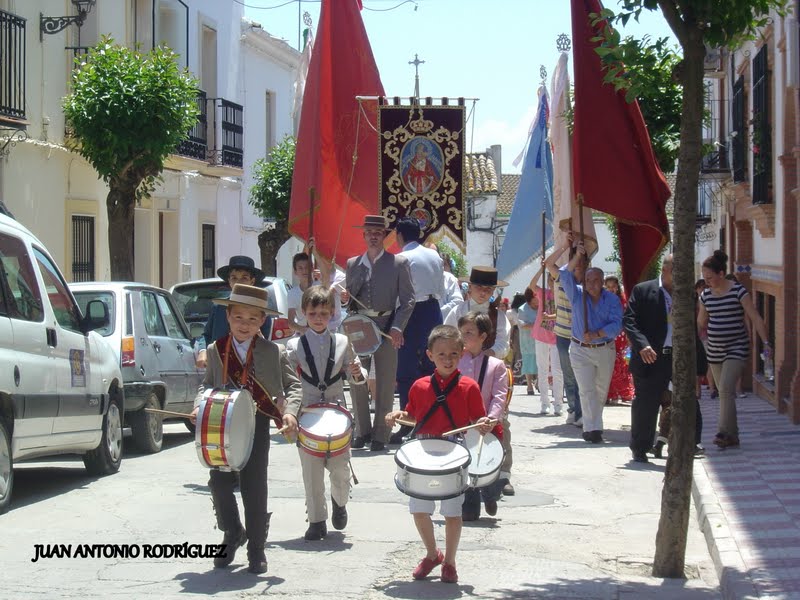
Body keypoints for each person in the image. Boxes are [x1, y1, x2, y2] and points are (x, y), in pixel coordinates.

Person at [190, 284, 301, 573]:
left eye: (253, 319)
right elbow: (206, 385)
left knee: (254, 486)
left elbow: (293, 386)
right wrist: (199, 406)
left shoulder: (273, 351)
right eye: (239, 317)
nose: (245, 324)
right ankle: (232, 532)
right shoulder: (216, 350)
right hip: (221, 425)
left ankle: (256, 548)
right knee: (219, 483)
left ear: (262, 320)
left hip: (257, 424)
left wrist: (290, 412)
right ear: (228, 316)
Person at [385, 325, 493, 584]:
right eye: (441, 354)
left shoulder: (469, 386)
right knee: (419, 509)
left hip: (455, 452)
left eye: (453, 354)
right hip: (422, 450)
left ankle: (450, 562)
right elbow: (414, 417)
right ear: (430, 355)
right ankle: (433, 554)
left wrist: (484, 423)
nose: (447, 359)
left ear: (462, 353)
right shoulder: (419, 386)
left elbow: (477, 420)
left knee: (452, 512)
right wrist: (399, 415)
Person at [283, 286, 367, 540]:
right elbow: (287, 380)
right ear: (303, 313)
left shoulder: (342, 342)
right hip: (307, 411)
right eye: (312, 313)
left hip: (336, 410)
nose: (318, 318)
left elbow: (356, 375)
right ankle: (316, 520)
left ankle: (340, 502)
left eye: (323, 313)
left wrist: (357, 372)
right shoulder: (294, 346)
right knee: (311, 471)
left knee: (340, 468)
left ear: (332, 313)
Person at [344, 214, 415, 452]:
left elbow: (408, 300)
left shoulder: (398, 263)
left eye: (378, 233)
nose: (373, 237)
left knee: (385, 382)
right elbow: (349, 301)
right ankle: (361, 431)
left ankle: (381, 434)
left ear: (384, 235)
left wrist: (397, 327)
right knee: (356, 378)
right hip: (359, 328)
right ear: (363, 235)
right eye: (369, 233)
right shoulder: (353, 264)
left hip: (386, 328)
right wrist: (344, 299)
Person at [624, 255, 704, 462]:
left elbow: (692, 330)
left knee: (688, 400)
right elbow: (630, 321)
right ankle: (640, 448)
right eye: (677, 270)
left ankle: (691, 444)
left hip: (679, 357)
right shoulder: (643, 290)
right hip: (651, 358)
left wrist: (699, 365)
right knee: (646, 405)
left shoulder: (687, 294)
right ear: (666, 270)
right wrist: (642, 345)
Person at [699, 250, 770, 449]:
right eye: (704, 278)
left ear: (721, 274)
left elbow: (755, 317)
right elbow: (701, 322)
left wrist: (766, 343)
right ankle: (733, 436)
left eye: (710, 277)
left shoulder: (738, 291)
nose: (707, 282)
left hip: (736, 347)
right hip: (714, 350)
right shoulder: (705, 295)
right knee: (726, 392)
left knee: (725, 388)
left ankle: (722, 432)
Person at [559, 242, 623, 444]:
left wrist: (597, 334)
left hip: (604, 348)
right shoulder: (577, 294)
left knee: (600, 390)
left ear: (602, 281)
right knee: (586, 390)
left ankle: (594, 423)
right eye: (588, 280)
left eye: (596, 280)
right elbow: (564, 274)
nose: (591, 284)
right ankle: (592, 429)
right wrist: (577, 257)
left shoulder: (612, 300)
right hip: (580, 349)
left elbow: (617, 324)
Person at [391, 217, 446, 444]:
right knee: (431, 367)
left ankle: (408, 423)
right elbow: (441, 289)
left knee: (406, 369)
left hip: (411, 312)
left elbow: (399, 294)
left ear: (399, 235)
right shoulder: (434, 256)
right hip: (433, 310)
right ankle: (430, 419)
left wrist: (396, 324)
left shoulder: (401, 258)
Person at [457, 312, 509, 521]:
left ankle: (490, 494)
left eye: (469, 332)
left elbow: (499, 396)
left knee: (486, 463)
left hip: (488, 425)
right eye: (461, 332)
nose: (463, 337)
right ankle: (469, 503)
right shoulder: (455, 362)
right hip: (463, 425)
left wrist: (491, 419)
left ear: (483, 336)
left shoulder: (496, 365)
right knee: (466, 464)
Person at [197, 255, 271, 368]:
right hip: (220, 365)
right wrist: (203, 351)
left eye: (244, 278)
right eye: (234, 278)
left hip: (249, 367)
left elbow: (265, 345)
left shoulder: (261, 311)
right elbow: (207, 334)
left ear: (252, 281)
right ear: (229, 281)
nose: (238, 282)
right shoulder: (219, 307)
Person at [544, 236, 587, 426]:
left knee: (580, 376)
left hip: (580, 336)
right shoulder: (561, 280)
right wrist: (565, 247)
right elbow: (548, 264)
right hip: (562, 334)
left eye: (581, 267)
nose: (578, 270)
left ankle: (581, 411)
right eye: (575, 266)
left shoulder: (587, 287)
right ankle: (572, 409)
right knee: (568, 375)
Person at [444, 266, 510, 359]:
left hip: (489, 364)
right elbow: (447, 337)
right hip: (460, 362)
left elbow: (503, 343)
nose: (483, 292)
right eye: (479, 286)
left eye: (488, 288)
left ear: (493, 291)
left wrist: (486, 355)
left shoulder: (499, 316)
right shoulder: (458, 311)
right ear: (470, 287)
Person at [530, 266, 564, 416]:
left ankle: (558, 403)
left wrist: (550, 317)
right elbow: (532, 285)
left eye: (555, 279)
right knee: (542, 369)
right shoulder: (543, 293)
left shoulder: (564, 296)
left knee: (557, 371)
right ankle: (545, 402)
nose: (553, 281)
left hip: (558, 336)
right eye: (551, 279)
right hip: (541, 335)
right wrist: (541, 269)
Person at [604, 276, 635, 405]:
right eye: (608, 287)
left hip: (622, 336)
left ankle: (624, 392)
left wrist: (628, 335)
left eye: (613, 287)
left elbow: (628, 319)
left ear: (617, 287)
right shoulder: (603, 300)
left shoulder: (624, 301)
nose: (611, 289)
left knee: (623, 364)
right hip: (608, 335)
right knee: (609, 365)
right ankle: (610, 393)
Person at [516, 288, 539, 395]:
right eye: (535, 297)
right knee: (528, 361)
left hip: (540, 339)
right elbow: (522, 325)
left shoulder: (542, 307)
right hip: (527, 340)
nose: (537, 300)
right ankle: (529, 385)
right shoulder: (522, 309)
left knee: (541, 361)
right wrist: (536, 325)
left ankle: (538, 381)